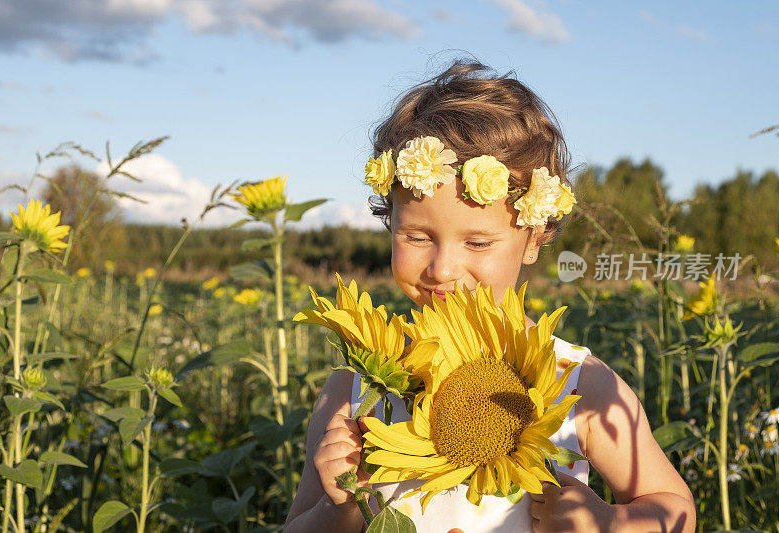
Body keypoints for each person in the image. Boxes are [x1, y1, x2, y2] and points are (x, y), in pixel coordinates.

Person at [285, 59, 695, 532]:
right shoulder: (355, 388)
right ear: (389, 224)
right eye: (416, 237)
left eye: (477, 243)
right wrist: (339, 507)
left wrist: (607, 523)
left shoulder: (577, 381)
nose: (443, 269)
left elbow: (675, 508)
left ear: (534, 237)